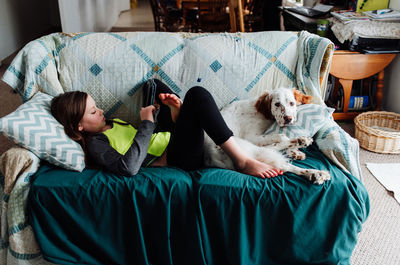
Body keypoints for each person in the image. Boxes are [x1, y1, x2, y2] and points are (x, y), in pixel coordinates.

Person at [50, 79, 282, 178]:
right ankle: (242, 161)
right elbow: (129, 167)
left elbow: (149, 140)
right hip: (175, 158)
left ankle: (179, 112)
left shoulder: (111, 123)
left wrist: (172, 117)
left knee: (154, 86)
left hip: (169, 141)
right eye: (93, 112)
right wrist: (147, 123)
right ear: (79, 126)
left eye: (97, 106)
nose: (100, 111)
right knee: (197, 95)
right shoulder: (95, 144)